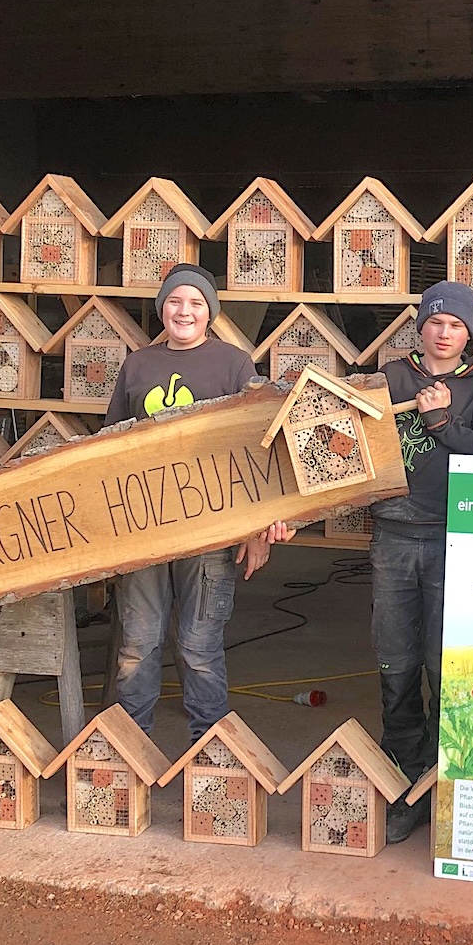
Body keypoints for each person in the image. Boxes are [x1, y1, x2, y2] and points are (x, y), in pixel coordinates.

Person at [103, 263, 291, 744]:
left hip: (211, 529)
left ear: (210, 312)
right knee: (136, 646)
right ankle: (131, 748)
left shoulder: (233, 364)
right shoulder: (137, 365)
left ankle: (211, 752)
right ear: (162, 307)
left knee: (199, 646)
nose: (184, 311)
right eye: (174, 301)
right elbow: (107, 449)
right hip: (143, 528)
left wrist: (256, 529)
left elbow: (259, 451)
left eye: (195, 303)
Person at [371, 281, 473, 843]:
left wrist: (442, 425)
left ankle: (442, 784)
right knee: (395, 660)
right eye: (435, 322)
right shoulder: (389, 377)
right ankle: (403, 782)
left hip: (457, 537)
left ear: (468, 333)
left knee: (444, 663)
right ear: (420, 327)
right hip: (394, 532)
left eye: (455, 324)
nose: (443, 331)